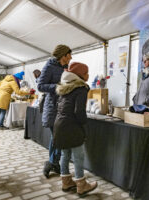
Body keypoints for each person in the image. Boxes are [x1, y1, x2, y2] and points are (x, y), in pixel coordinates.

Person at [54, 62, 97, 195]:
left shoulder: (65, 86)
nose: (88, 75)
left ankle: (66, 182)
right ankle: (81, 185)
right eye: (86, 73)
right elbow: (79, 111)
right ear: (79, 75)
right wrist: (84, 125)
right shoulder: (81, 88)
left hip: (59, 124)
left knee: (65, 154)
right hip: (72, 126)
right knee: (78, 156)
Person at [37, 44, 72, 178]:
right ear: (63, 55)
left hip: (62, 106)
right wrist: (57, 87)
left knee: (58, 136)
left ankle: (54, 163)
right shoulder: (49, 66)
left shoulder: (65, 67)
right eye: (69, 55)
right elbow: (40, 86)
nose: (71, 57)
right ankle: (51, 163)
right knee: (56, 136)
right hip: (52, 107)